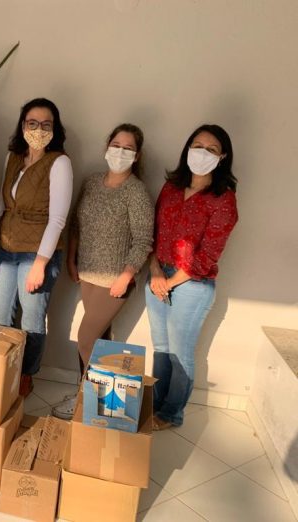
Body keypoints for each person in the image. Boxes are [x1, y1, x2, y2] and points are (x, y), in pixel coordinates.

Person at [51, 123, 154, 419]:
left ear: (137, 155)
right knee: (100, 343)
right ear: (107, 146)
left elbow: (144, 240)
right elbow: (75, 223)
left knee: (85, 339)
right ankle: (102, 406)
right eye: (116, 145)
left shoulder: (136, 192)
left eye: (128, 148)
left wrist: (126, 276)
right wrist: (71, 259)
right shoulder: (92, 182)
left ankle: (87, 399)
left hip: (115, 280)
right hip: (87, 274)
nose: (120, 152)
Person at [146, 124, 238, 430]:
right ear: (187, 148)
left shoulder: (224, 200)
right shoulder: (171, 188)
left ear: (222, 157)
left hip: (192, 284)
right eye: (197, 146)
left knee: (179, 353)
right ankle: (155, 405)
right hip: (157, 275)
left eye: (211, 150)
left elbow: (209, 254)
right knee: (161, 348)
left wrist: (170, 282)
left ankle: (171, 413)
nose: (202, 153)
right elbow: (154, 233)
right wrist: (155, 271)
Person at [0, 98, 73, 397]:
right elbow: (2, 205)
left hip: (38, 253)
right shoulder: (13, 157)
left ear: (55, 129)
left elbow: (58, 218)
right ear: (23, 125)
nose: (39, 130)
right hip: (7, 248)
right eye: (32, 123)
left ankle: (25, 375)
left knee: (31, 319)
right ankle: (1, 371)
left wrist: (40, 264)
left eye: (46, 124)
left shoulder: (59, 162)